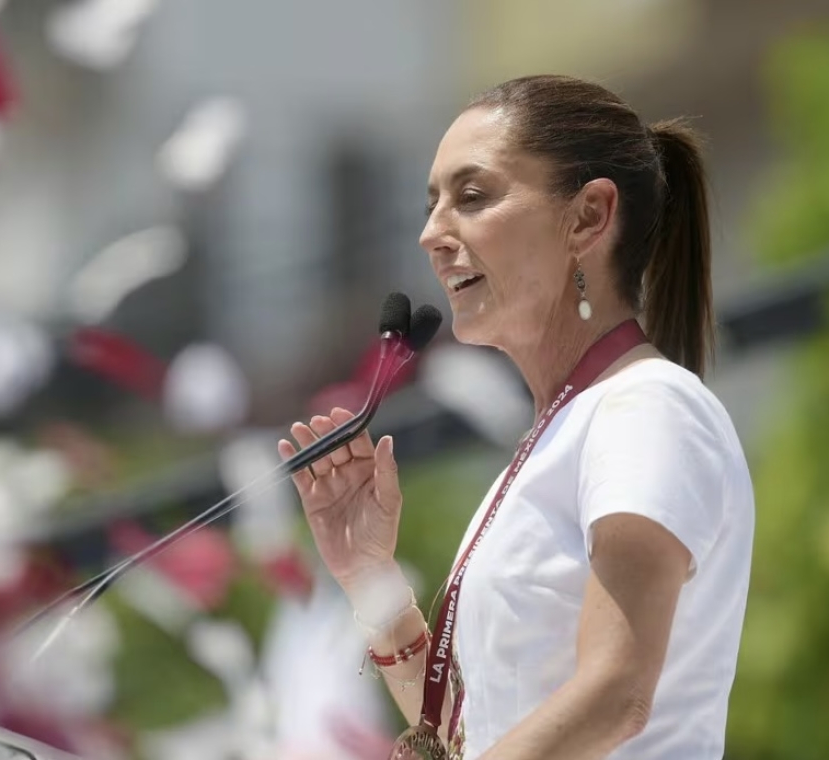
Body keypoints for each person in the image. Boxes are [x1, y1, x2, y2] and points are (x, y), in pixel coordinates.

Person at [277, 74, 755, 760]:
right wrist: (367, 573)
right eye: (432, 203)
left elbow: (617, 695)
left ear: (589, 216)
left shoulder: (647, 407)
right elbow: (481, 738)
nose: (431, 234)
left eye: (472, 197)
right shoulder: (564, 432)